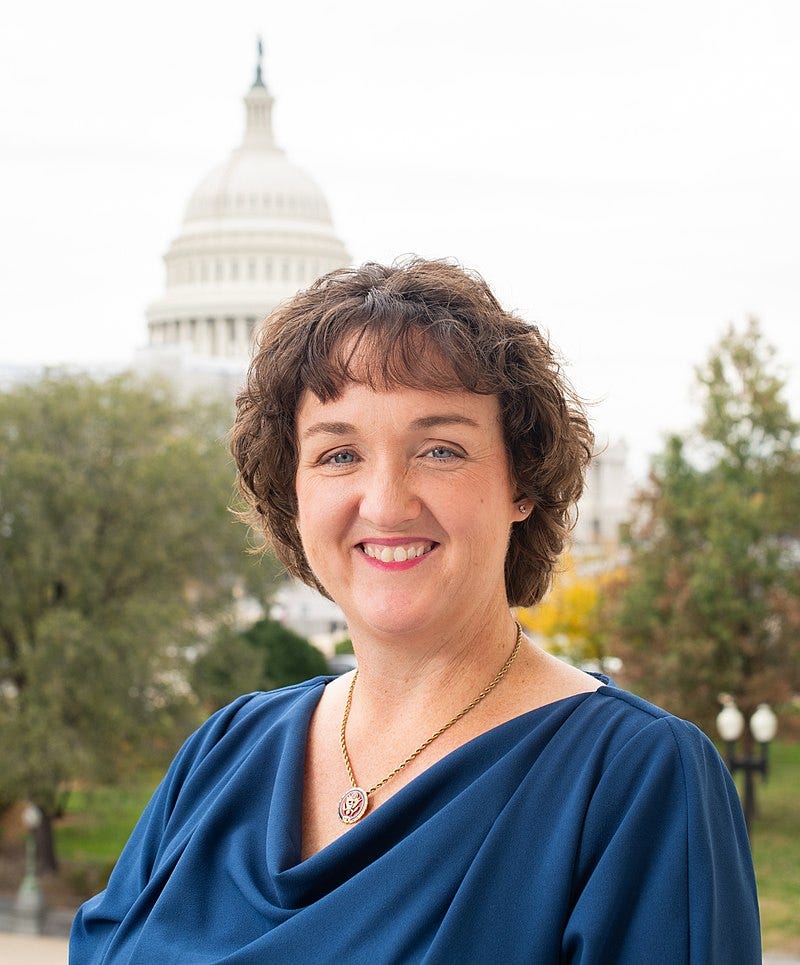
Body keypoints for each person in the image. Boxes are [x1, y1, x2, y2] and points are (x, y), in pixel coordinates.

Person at [70, 259, 760, 963]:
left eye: (439, 449)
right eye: (339, 454)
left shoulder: (634, 780)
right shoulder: (223, 754)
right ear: (294, 492)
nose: (387, 502)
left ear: (521, 481)